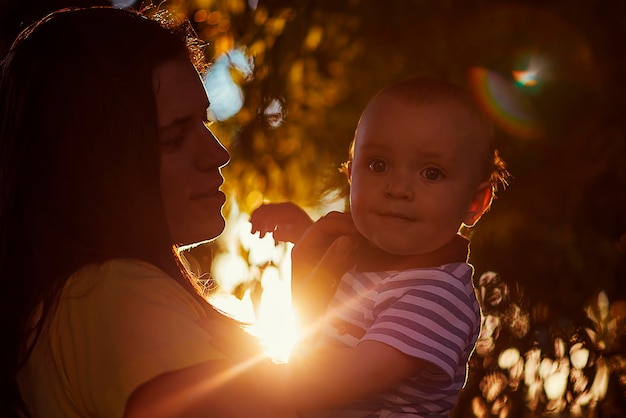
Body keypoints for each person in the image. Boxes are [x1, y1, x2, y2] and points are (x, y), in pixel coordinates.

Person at [0, 6, 290, 418]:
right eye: (173, 137)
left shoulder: (65, 308)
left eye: (204, 123)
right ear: (94, 166)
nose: (217, 154)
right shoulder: (114, 293)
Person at [249, 75, 510, 417]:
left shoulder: (438, 294)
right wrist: (305, 230)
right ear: (350, 176)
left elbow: (336, 382)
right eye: (378, 165)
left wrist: (228, 376)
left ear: (474, 204)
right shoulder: (373, 261)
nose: (398, 187)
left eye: (431, 173)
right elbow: (352, 272)